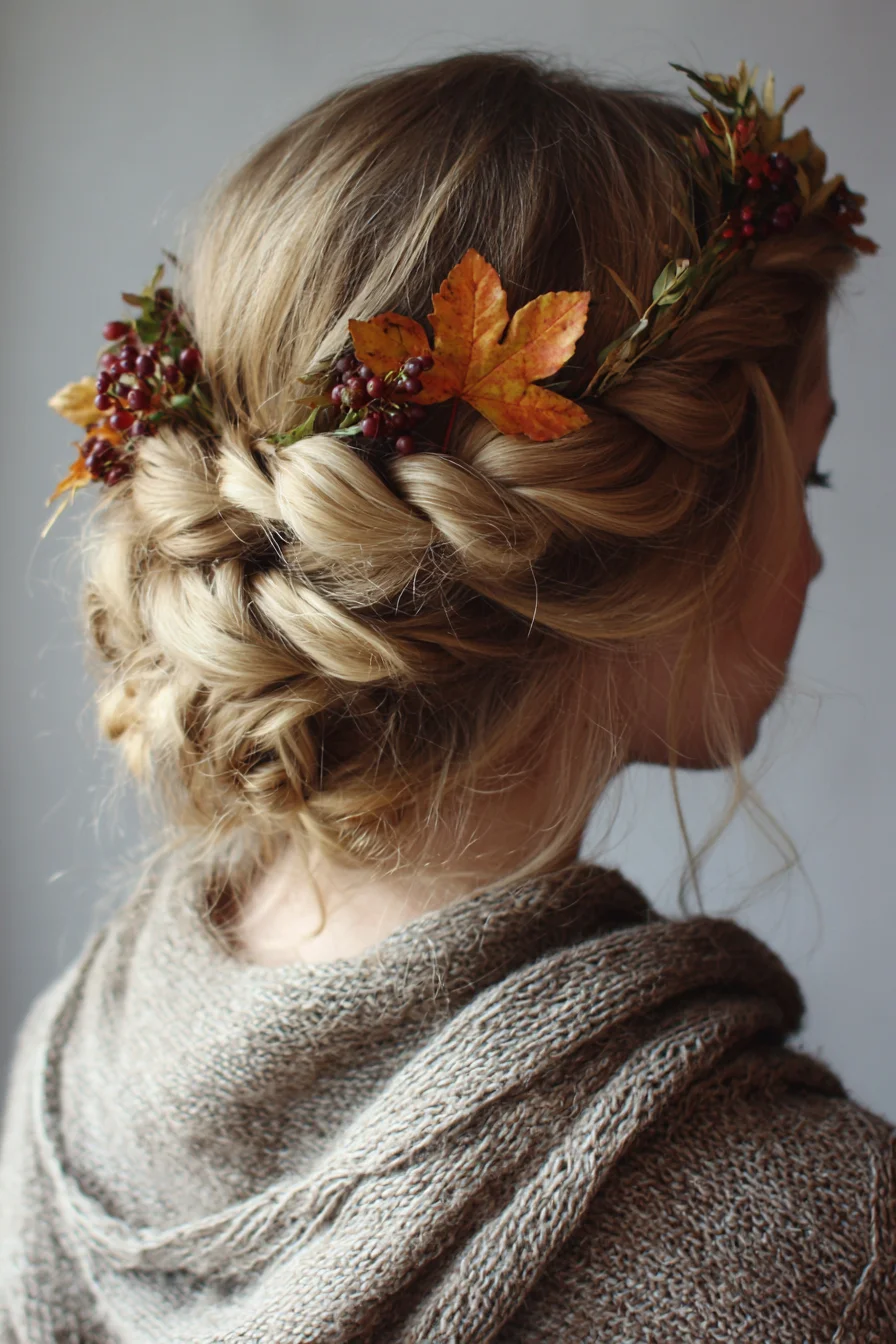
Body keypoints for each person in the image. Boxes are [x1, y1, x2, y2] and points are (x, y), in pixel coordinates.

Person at [1, 49, 892, 1343]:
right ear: (638, 536)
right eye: (805, 481)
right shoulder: (816, 1243)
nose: (812, 556)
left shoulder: (71, 1064)